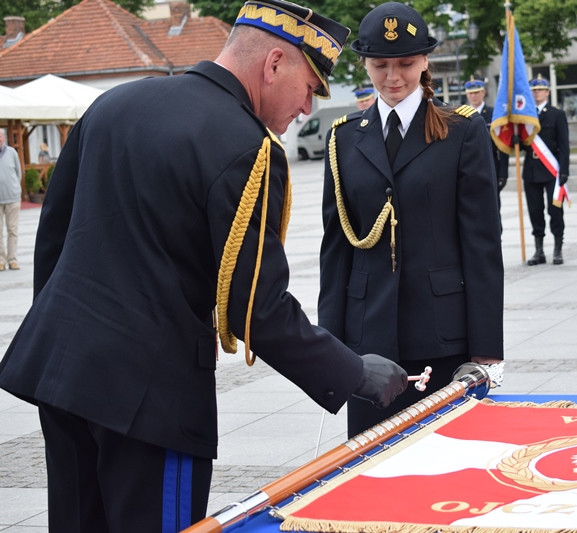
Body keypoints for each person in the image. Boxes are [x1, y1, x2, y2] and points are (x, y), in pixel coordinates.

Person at [0, 1, 409, 531]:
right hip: (152, 403)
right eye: (310, 87)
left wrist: (65, 337)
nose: (307, 109)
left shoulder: (116, 103)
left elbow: (53, 240)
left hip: (62, 373)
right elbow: (257, 309)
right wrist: (354, 371)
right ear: (274, 63)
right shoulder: (247, 148)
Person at [318, 2, 504, 438]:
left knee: (446, 467)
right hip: (368, 343)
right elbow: (336, 249)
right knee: (369, 469)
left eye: (405, 63)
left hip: (442, 335)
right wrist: (329, 349)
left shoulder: (461, 132)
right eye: (380, 65)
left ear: (425, 61)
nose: (393, 76)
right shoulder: (344, 138)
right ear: (365, 64)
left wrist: (487, 350)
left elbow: (481, 246)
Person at [522, 75, 569, 265]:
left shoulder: (557, 114)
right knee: (535, 211)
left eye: (540, 89)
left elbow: (564, 145)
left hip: (552, 171)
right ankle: (539, 250)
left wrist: (565, 170)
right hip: (531, 170)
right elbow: (524, 143)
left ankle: (557, 248)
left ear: (548, 92)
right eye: (533, 90)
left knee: (555, 210)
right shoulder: (524, 115)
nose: (537, 93)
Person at [464, 77, 509, 225]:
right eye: (470, 93)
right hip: (468, 170)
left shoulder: (494, 113)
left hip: (491, 168)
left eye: (477, 92)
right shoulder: (460, 115)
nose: (473, 96)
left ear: (483, 92)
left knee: (493, 210)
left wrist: (503, 173)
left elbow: (502, 145)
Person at [0, 128, 21, 271]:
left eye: (0, 136)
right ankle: (1, 260)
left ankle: (12, 259)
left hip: (12, 198)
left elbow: (18, 173)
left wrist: (15, 189)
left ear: (4, 138)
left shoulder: (12, 152)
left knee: (12, 230)